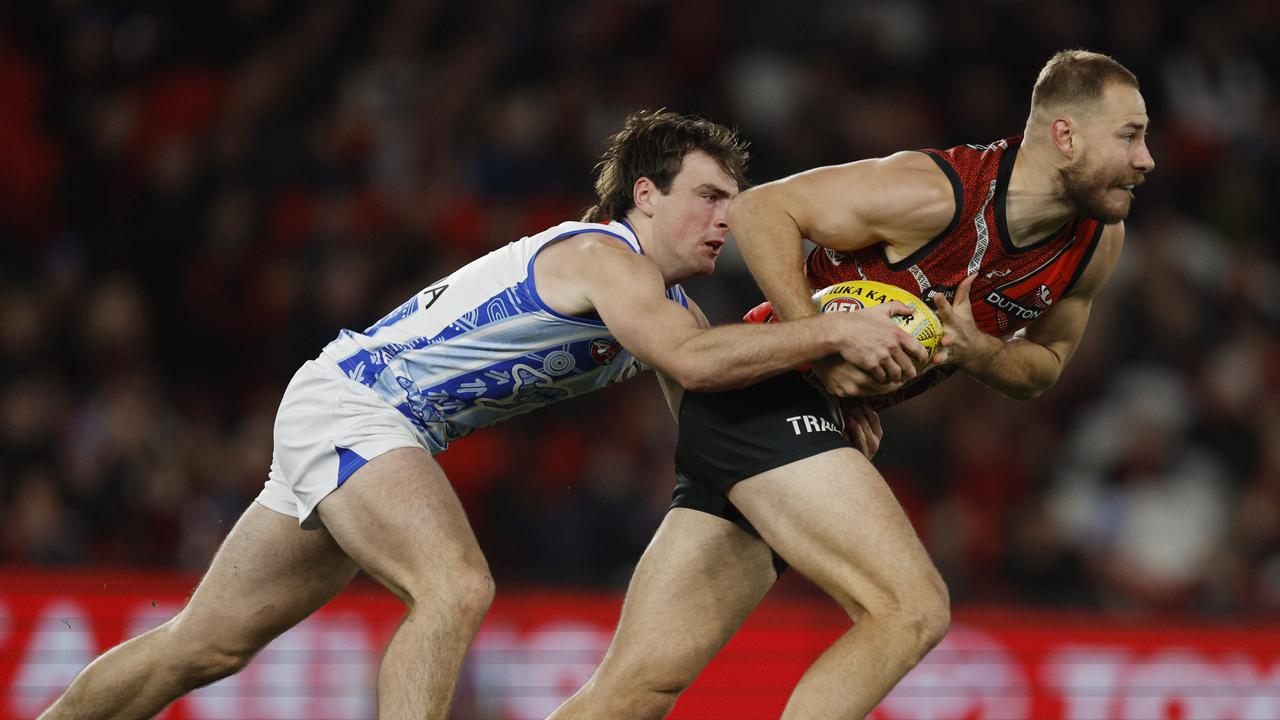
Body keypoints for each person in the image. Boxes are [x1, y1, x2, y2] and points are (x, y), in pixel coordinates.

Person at [39, 111, 929, 720]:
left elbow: (715, 408)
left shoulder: (660, 308)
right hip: (357, 406)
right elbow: (698, 362)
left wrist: (823, 415)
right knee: (455, 587)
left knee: (203, 647)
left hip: (355, 415)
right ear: (645, 196)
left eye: (735, 204)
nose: (726, 221)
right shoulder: (606, 259)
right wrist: (833, 333)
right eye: (709, 196)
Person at [552, 49, 1154, 719]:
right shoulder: (935, 192)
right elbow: (760, 212)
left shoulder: (1098, 242)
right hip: (768, 388)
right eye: (1129, 134)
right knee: (911, 609)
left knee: (638, 690)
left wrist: (978, 350)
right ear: (1065, 135)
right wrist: (821, 345)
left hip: (776, 418)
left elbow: (1043, 367)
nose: (1146, 158)